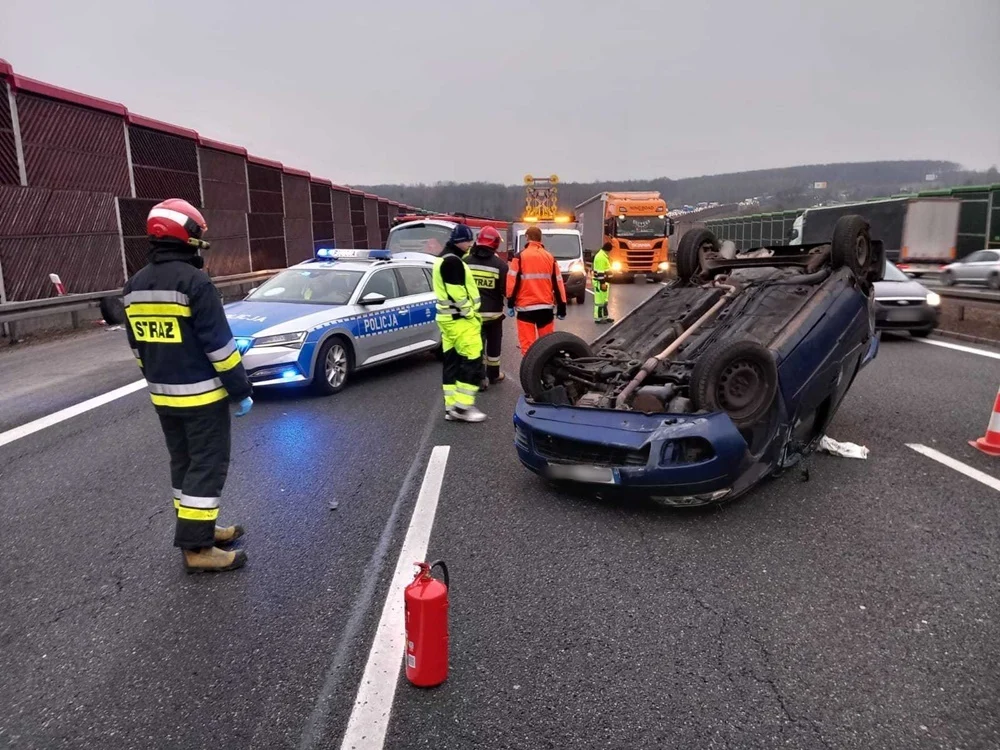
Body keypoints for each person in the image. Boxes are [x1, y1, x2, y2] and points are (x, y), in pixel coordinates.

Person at [123, 198, 254, 574]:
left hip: (163, 396)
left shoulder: (134, 285)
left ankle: (200, 527)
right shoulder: (195, 283)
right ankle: (198, 549)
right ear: (187, 236)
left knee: (183, 465)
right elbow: (220, 347)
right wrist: (240, 389)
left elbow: (138, 348)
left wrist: (157, 379)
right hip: (202, 396)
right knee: (207, 466)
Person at [432, 224, 487, 422]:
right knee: (472, 359)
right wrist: (470, 313)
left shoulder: (442, 259)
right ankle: (464, 407)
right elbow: (457, 293)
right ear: (460, 241)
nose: (471, 245)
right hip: (461, 321)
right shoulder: (453, 262)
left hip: (448, 321)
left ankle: (451, 407)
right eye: (468, 241)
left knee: (451, 363)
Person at [506, 226, 567, 355]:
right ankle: (547, 371)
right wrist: (562, 306)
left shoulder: (520, 257)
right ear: (540, 239)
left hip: (525, 309)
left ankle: (529, 372)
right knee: (547, 346)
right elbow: (558, 283)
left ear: (527, 237)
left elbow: (512, 282)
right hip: (545, 308)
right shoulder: (550, 257)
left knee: (528, 347)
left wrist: (510, 302)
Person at [465, 226, 509, 389]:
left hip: (472, 315)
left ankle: (478, 379)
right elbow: (505, 290)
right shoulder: (500, 265)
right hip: (494, 316)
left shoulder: (465, 263)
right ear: (495, 244)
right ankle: (493, 375)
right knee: (494, 347)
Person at [592, 241, 615, 324]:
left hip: (605, 282)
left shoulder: (603, 256)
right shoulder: (601, 257)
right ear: (608, 250)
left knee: (604, 300)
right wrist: (602, 283)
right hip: (600, 282)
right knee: (599, 301)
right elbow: (600, 272)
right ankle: (598, 318)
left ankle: (605, 316)